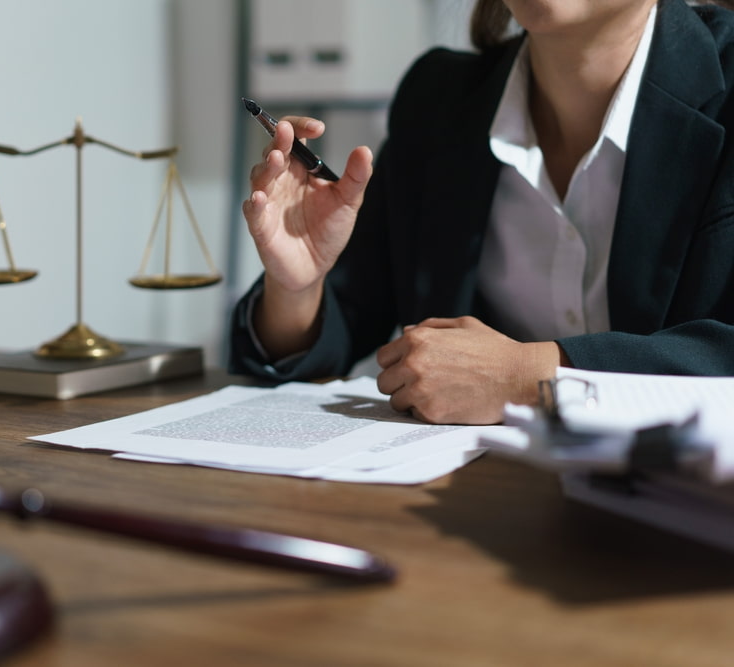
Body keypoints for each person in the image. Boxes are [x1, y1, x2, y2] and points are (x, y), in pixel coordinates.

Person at [228, 0, 734, 425]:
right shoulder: (437, 99)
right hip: (471, 498)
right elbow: (345, 319)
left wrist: (532, 375)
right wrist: (296, 287)